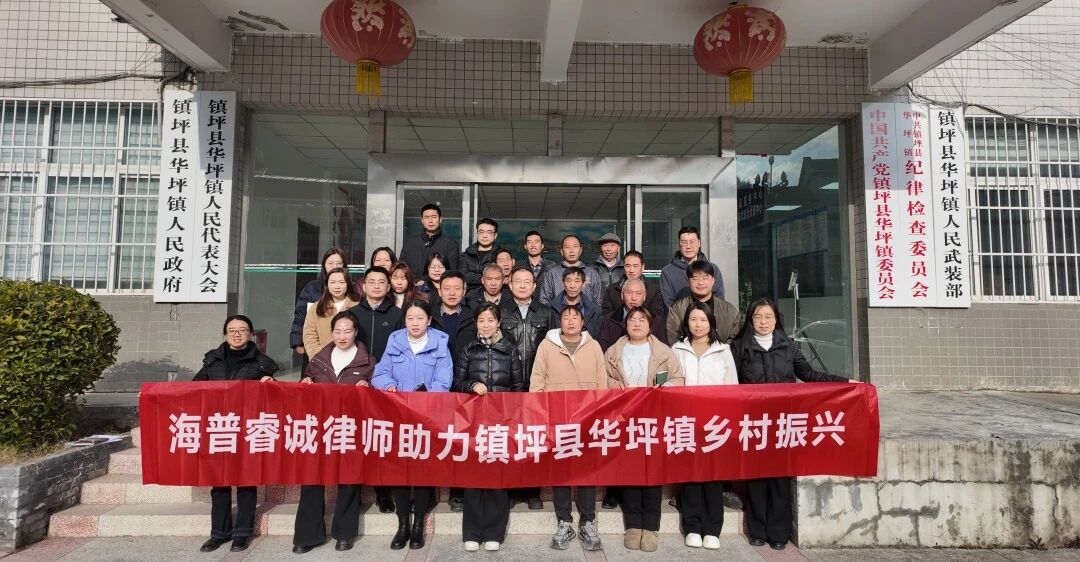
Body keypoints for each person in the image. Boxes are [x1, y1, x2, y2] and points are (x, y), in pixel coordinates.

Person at [730, 298, 852, 551]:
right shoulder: (739, 347)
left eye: (768, 316)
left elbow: (810, 375)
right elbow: (730, 383)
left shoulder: (788, 347)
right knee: (756, 477)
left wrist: (846, 383)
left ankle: (779, 532)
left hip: (783, 422)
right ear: (750, 320)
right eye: (757, 317)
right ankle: (757, 530)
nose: (763, 322)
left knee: (780, 477)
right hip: (753, 422)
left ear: (777, 320)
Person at [372, 300, 453, 550]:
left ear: (429, 320)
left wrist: (425, 401)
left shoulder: (440, 342)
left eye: (420, 318)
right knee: (400, 470)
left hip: (427, 417)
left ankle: (418, 525)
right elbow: (380, 373)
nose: (415, 323)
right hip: (398, 415)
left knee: (423, 469)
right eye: (410, 318)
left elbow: (444, 380)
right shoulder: (395, 341)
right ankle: (403, 524)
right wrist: (389, 386)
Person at [603, 307, 684, 552]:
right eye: (632, 319)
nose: (637, 323)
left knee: (652, 473)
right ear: (626, 324)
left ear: (650, 326)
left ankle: (650, 527)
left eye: (642, 320)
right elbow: (603, 379)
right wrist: (617, 388)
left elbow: (678, 379)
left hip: (654, 419)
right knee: (630, 472)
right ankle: (633, 525)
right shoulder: (613, 352)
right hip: (625, 418)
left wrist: (665, 388)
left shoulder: (663, 351)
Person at [194, 315, 277, 553]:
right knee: (219, 483)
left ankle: (242, 533)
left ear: (251, 334)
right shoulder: (212, 359)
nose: (237, 334)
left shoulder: (263, 363)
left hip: (248, 429)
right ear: (225, 334)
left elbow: (274, 399)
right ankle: (218, 533)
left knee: (246, 482)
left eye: (242, 330)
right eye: (232, 330)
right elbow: (193, 388)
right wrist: (155, 395)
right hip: (219, 427)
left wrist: (271, 384)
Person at [292, 311, 374, 554]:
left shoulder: (368, 362)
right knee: (312, 478)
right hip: (319, 427)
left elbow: (377, 396)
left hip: (350, 428)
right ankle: (307, 535)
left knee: (348, 479)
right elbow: (305, 382)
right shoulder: (319, 360)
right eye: (337, 331)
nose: (342, 336)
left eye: (347, 331)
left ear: (356, 332)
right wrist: (305, 383)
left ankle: (344, 533)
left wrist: (368, 387)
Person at [531, 306, 608, 552]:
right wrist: (540, 414)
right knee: (561, 472)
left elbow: (602, 383)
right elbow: (537, 381)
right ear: (560, 321)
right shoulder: (547, 346)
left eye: (575, 317)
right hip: (557, 419)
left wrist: (599, 415)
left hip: (587, 420)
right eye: (566, 317)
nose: (571, 321)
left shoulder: (593, 346)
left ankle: (588, 522)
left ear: (583, 322)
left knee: (587, 472)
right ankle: (564, 522)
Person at [453, 303, 524, 551]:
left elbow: (518, 387)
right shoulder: (469, 349)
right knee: (473, 478)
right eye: (481, 320)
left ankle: (494, 532)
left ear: (499, 323)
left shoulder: (510, 350)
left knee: (497, 477)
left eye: (490, 320)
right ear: (476, 323)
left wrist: (512, 417)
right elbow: (456, 382)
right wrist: (471, 385)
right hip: (474, 422)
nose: (486, 325)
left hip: (501, 423)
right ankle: (472, 532)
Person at [670, 301, 738, 551]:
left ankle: (712, 529)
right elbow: (672, 382)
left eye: (703, 320)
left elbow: (732, 387)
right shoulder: (677, 349)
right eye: (693, 319)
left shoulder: (723, 351)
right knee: (690, 475)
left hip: (714, 423)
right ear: (686, 322)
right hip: (687, 421)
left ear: (711, 323)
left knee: (713, 477)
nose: (698, 325)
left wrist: (729, 421)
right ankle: (692, 527)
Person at [499, 266, 557, 510]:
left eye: (527, 282)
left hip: (537, 385)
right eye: (518, 281)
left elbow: (553, 347)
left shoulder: (546, 312)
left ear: (534, 286)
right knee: (510, 439)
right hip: (509, 385)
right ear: (510, 285)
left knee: (534, 439)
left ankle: (533, 491)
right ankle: (512, 490)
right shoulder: (501, 311)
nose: (522, 285)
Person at [347, 265, 401, 514]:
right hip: (356, 383)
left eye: (382, 282)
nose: (377, 286)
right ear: (363, 285)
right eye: (372, 281)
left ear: (388, 287)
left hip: (385, 384)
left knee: (382, 438)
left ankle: (383, 493)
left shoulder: (397, 314)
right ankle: (353, 492)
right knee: (355, 438)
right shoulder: (352, 314)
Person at [291, 248, 348, 360]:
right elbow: (300, 316)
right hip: (314, 347)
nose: (334, 266)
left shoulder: (351, 290)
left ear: (344, 266)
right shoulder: (312, 288)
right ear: (324, 265)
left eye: (339, 263)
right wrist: (298, 342)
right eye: (330, 263)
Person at [666, 260, 740, 345]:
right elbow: (674, 339)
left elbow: (735, 341)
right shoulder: (677, 309)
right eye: (695, 278)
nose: (700, 282)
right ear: (688, 281)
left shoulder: (729, 310)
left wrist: (721, 351)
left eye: (705, 278)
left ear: (713, 280)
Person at [301, 267, 359, 359]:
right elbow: (309, 335)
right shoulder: (316, 308)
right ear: (327, 285)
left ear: (348, 284)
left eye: (341, 282)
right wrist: (320, 357)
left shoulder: (357, 307)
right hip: (323, 360)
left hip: (352, 359)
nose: (337, 286)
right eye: (332, 282)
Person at [660, 226, 725, 308]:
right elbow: (667, 303)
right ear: (679, 244)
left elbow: (719, 300)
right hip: (677, 315)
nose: (688, 246)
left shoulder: (713, 269)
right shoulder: (667, 272)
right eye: (684, 242)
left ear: (699, 243)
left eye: (692, 242)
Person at [598, 278, 665, 351]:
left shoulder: (655, 320)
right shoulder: (609, 320)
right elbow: (603, 348)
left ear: (644, 296)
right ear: (622, 295)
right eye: (629, 293)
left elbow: (662, 350)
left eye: (638, 293)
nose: (633, 298)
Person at [538, 234, 603, 307]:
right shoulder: (551, 273)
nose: (572, 251)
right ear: (562, 251)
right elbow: (543, 301)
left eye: (575, 246)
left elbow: (598, 302)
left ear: (580, 250)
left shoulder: (592, 273)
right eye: (567, 247)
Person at [399, 203, 460, 278]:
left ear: (440, 219)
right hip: (413, 284)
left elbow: (451, 272)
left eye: (434, 217)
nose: (430, 221)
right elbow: (401, 268)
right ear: (422, 220)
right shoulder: (411, 243)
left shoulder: (450, 244)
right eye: (426, 217)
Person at [603, 250, 664, 320]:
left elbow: (658, 317)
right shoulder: (612, 290)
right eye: (628, 266)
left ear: (642, 267)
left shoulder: (653, 290)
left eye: (635, 266)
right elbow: (607, 316)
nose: (631, 270)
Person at [549, 266, 602, 338]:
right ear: (563, 283)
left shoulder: (595, 311)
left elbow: (597, 338)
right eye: (568, 281)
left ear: (583, 284)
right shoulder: (550, 309)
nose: (572, 286)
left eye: (577, 281)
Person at [461, 218, 499, 288]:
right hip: (469, 293)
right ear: (477, 234)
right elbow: (463, 277)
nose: (485, 236)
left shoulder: (500, 255)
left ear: (495, 235)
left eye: (489, 232)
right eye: (481, 232)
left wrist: (472, 275)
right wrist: (488, 277)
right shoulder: (465, 255)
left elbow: (501, 277)